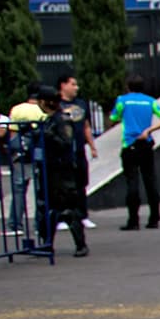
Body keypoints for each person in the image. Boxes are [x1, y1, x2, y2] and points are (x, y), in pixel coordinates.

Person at [109, 76, 160, 230]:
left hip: (130, 144)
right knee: (150, 181)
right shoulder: (150, 101)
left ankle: (133, 220)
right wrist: (149, 130)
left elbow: (113, 117)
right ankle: (154, 218)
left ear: (128, 87)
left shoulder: (123, 100)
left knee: (132, 182)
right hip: (146, 144)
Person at [34, 85, 89, 256]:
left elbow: (66, 142)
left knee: (69, 208)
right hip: (50, 169)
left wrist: (49, 135)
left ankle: (81, 245)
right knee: (48, 208)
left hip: (63, 170)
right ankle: (47, 243)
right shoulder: (48, 120)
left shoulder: (61, 119)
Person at [2, 81, 45, 240]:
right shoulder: (43, 109)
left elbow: (12, 133)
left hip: (21, 153)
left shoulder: (17, 109)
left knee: (19, 189)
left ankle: (15, 224)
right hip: (39, 152)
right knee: (41, 190)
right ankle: (40, 226)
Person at [56, 74, 98, 230]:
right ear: (63, 85)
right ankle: (62, 218)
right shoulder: (56, 104)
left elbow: (86, 125)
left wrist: (92, 146)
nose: (76, 88)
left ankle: (82, 215)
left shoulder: (81, 104)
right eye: (73, 84)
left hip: (79, 150)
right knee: (64, 186)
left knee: (81, 184)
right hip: (63, 152)